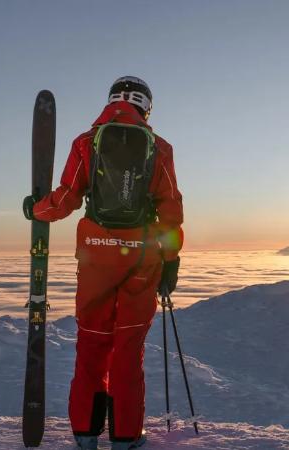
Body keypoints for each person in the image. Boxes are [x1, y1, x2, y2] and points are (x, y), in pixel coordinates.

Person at [23, 76, 184, 450]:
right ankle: (126, 437)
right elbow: (170, 211)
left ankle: (85, 434)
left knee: (91, 347)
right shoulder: (160, 148)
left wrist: (36, 210)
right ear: (146, 107)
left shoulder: (86, 142)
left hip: (96, 258)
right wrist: (170, 261)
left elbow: (66, 198)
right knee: (128, 351)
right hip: (141, 261)